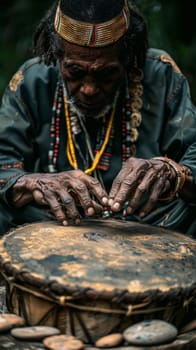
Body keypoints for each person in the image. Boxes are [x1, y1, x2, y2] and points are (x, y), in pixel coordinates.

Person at [0, 0, 196, 237]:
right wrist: (33, 182)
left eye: (106, 73)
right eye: (75, 72)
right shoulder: (32, 80)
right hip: (59, 222)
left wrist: (172, 172)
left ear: (128, 58)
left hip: (147, 226)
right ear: (58, 56)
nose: (89, 89)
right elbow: (4, 161)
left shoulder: (160, 75)